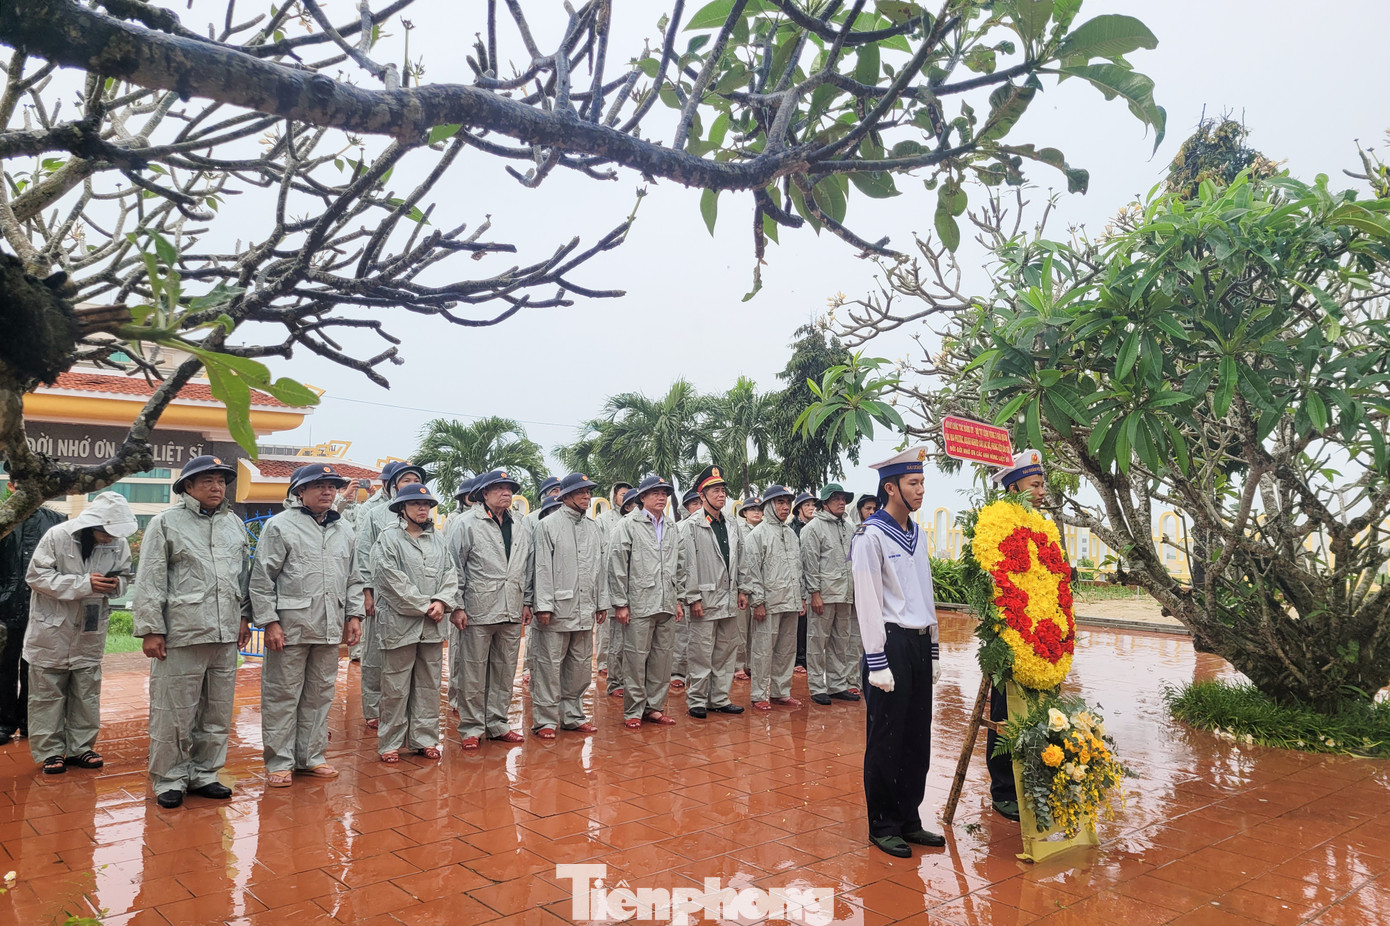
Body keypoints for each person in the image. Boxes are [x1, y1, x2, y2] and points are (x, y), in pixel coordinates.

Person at [133, 455, 252, 809]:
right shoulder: (166, 523)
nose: (217, 487)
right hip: (182, 631)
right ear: (188, 486)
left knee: (217, 710)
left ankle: (205, 773)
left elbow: (243, 577)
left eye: (221, 481)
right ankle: (169, 778)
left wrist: (244, 617)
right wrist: (152, 629)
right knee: (173, 712)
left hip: (225, 632)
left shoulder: (234, 524)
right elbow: (151, 576)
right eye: (207, 481)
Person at [851, 447, 945, 857]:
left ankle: (910, 818)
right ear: (891, 488)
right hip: (890, 643)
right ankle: (883, 824)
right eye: (913, 483)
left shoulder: (918, 534)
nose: (921, 490)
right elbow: (868, 600)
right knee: (887, 737)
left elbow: (925, 592)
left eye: (922, 482)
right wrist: (876, 660)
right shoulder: (870, 536)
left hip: (919, 641)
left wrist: (936, 647)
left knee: (915, 736)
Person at [249, 464, 365, 786]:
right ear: (299, 491)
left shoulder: (344, 530)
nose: (327, 491)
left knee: (319, 694)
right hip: (290, 627)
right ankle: (279, 762)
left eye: (332, 486)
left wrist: (353, 616)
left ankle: (311, 757)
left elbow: (354, 579)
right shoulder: (279, 527)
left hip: (329, 627)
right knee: (282, 695)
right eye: (319, 486)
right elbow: (261, 580)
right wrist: (269, 622)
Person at [22, 492, 136, 773]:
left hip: (90, 626)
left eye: (113, 533)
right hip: (52, 627)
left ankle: (81, 748)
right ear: (92, 525)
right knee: (47, 694)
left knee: (86, 693)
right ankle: (50, 751)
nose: (109, 538)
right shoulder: (57, 536)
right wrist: (84, 584)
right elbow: (36, 576)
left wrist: (115, 585)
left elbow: (126, 576)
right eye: (105, 532)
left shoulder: (118, 543)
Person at [981, 448, 1049, 822]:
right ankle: (1004, 789)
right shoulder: (996, 524)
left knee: (1038, 712)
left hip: (1042, 635)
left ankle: (1035, 781)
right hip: (1009, 635)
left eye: (1041, 485)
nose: (1041, 491)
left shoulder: (1043, 526)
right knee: (1005, 713)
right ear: (1013, 488)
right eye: (1034, 485)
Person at [371, 483, 457, 763]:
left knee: (429, 685)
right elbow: (389, 579)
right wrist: (425, 606)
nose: (422, 509)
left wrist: (442, 601)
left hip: (432, 625)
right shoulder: (388, 539)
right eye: (416, 505)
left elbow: (450, 574)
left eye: (426, 505)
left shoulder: (439, 539)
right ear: (402, 509)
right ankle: (390, 743)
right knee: (395, 687)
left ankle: (425, 739)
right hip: (399, 624)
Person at [448, 469, 533, 749]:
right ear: (484, 494)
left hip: (511, 606)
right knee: (473, 670)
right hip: (477, 608)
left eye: (509, 488)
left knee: (504, 670)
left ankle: (497, 723)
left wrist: (528, 601)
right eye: (499, 488)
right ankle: (471, 727)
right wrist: (457, 606)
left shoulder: (520, 524)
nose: (506, 492)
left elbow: (528, 566)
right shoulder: (465, 523)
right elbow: (453, 567)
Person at [607, 474, 687, 728]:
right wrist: (620, 603)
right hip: (639, 602)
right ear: (642, 498)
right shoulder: (628, 525)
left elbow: (680, 565)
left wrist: (678, 599)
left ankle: (654, 707)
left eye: (665, 493)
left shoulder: (672, 526)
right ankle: (633, 710)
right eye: (655, 493)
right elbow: (617, 565)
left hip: (666, 600)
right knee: (635, 658)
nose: (662, 497)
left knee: (662, 658)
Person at [531, 473, 608, 738]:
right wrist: (542, 605)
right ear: (564, 496)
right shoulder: (548, 525)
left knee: (580, 666)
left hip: (585, 607)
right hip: (555, 610)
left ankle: (573, 716)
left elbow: (600, 568)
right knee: (548, 666)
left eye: (588, 492)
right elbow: (540, 567)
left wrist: (601, 602)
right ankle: (545, 720)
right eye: (581, 492)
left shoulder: (593, 527)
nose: (587, 497)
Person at [355, 460, 427, 730]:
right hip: (382, 593)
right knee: (374, 653)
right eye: (405, 481)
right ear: (393, 485)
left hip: (414, 597)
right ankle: (373, 708)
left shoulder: (424, 513)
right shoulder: (376, 514)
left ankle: (406, 709)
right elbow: (364, 552)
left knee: (407, 657)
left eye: (415, 480)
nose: (411, 485)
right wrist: (367, 591)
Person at [679, 466, 745, 719]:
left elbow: (741, 559)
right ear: (702, 495)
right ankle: (696, 699)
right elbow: (685, 565)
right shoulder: (691, 526)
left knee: (726, 651)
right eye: (715, 490)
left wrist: (743, 589)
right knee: (700, 652)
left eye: (723, 490)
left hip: (728, 598)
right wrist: (692, 597)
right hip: (703, 600)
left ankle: (719, 698)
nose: (721, 494)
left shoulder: (731, 523)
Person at [0, 504, 66, 745]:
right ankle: (3, 722)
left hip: (43, 608)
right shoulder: (3, 519)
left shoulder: (58, 521)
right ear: (12, 485)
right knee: (4, 666)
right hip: (4, 607)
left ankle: (31, 721)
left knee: (37, 667)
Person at [739, 485, 804, 711]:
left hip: (791, 600)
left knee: (787, 650)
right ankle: (759, 694)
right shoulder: (757, 535)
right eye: (780, 502)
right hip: (768, 603)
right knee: (762, 650)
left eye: (787, 503)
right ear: (768, 505)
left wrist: (801, 597)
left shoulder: (791, 534)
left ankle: (781, 691)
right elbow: (751, 571)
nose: (785, 507)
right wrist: (758, 602)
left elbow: (798, 568)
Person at [799, 484, 860, 707]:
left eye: (843, 498)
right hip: (823, 594)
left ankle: (837, 684)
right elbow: (809, 564)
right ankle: (817, 686)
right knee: (817, 641)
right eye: (835, 499)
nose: (841, 502)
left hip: (844, 593)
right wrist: (814, 593)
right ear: (824, 503)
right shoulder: (812, 528)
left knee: (840, 641)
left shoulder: (849, 526)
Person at [601, 487, 642, 700]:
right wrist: (618, 599)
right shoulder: (616, 525)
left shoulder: (646, 527)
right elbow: (612, 564)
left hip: (642, 596)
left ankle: (631, 681)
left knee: (636, 645)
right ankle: (615, 680)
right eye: (637, 504)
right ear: (628, 506)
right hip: (619, 594)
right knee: (617, 641)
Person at [445, 473, 477, 718]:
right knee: (458, 650)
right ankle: (456, 694)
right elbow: (452, 561)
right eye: (470, 495)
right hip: (459, 593)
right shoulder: (455, 519)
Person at [594, 480, 631, 680]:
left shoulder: (636, 519)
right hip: (607, 580)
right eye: (621, 494)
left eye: (628, 493)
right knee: (606, 627)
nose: (625, 497)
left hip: (629, 581)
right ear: (614, 496)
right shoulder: (603, 520)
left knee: (625, 627)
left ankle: (621, 666)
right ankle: (603, 662)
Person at [731, 493, 761, 681]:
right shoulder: (738, 530)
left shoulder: (766, 531)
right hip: (742, 585)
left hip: (759, 587)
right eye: (752, 509)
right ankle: (738, 665)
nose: (756, 513)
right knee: (740, 629)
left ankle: (751, 663)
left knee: (756, 629)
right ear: (744, 513)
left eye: (759, 510)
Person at [790, 492, 816, 673]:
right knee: (799, 621)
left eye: (813, 504)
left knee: (810, 622)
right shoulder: (793, 529)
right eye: (807, 505)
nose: (811, 508)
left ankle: (806, 657)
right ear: (799, 508)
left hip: (812, 577)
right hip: (797, 580)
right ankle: (798, 659)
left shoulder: (815, 527)